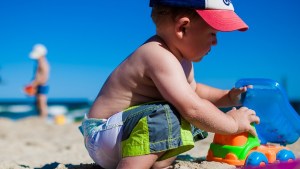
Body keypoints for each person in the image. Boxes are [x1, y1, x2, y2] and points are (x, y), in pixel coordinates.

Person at [80, 0, 260, 168]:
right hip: (104, 134)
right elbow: (193, 108)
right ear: (183, 27)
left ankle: (153, 162)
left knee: (183, 113)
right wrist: (232, 123)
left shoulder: (182, 61)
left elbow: (194, 91)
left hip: (123, 136)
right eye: (212, 33)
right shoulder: (157, 54)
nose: (215, 42)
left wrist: (227, 97)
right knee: (178, 113)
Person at [26, 44, 50, 118]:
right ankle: (41, 116)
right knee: (38, 102)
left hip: (42, 84)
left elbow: (44, 77)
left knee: (42, 102)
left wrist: (34, 83)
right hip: (38, 84)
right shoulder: (39, 63)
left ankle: (43, 117)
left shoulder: (43, 63)